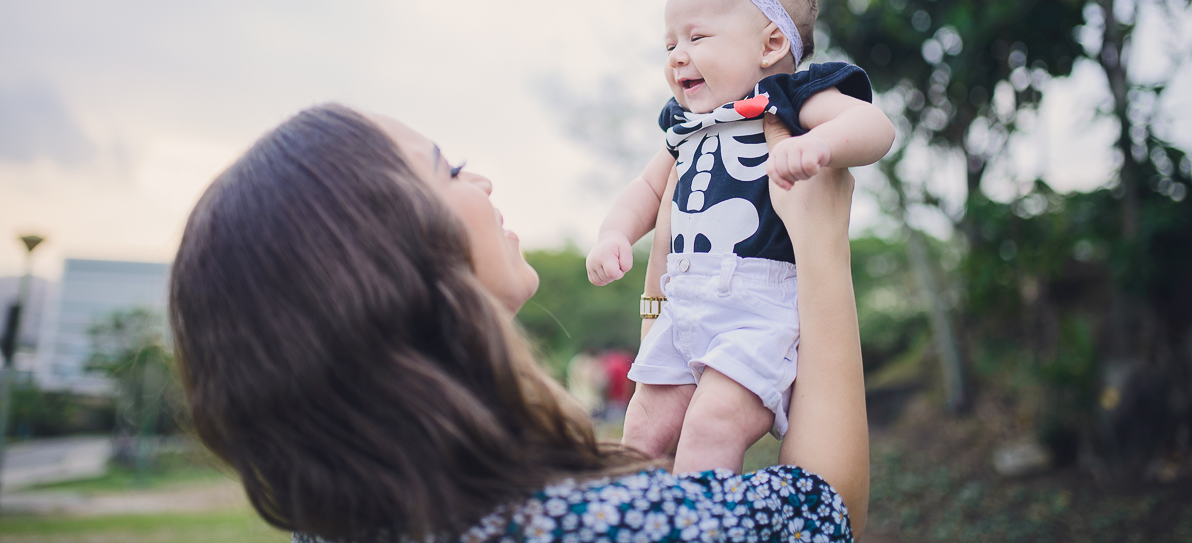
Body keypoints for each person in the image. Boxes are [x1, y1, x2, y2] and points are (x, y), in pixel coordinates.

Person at [169, 103, 870, 543]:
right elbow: (823, 507)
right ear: (386, 264)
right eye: (450, 170)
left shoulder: (335, 519)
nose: (482, 182)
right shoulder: (582, 524)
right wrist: (820, 247)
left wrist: (662, 304)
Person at [586, 0, 894, 474]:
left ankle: (703, 517)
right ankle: (641, 514)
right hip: (684, 302)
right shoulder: (685, 125)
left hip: (756, 307)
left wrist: (820, 144)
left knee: (713, 424)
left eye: (696, 38)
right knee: (643, 428)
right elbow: (648, 188)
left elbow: (875, 127)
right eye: (669, 45)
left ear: (770, 45)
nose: (677, 57)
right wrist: (615, 233)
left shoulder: (789, 98)